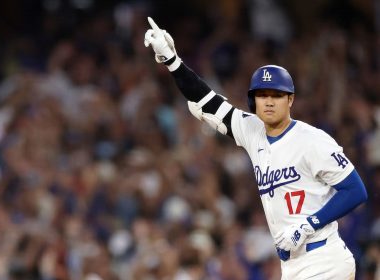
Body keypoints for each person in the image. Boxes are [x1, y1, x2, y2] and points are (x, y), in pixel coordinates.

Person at [144, 17, 368, 279]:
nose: (269, 102)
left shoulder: (312, 140)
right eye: (262, 95)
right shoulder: (252, 131)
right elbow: (205, 100)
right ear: (254, 101)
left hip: (323, 259)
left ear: (290, 100)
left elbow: (355, 190)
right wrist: (172, 60)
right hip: (293, 265)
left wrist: (308, 224)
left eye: (277, 95)